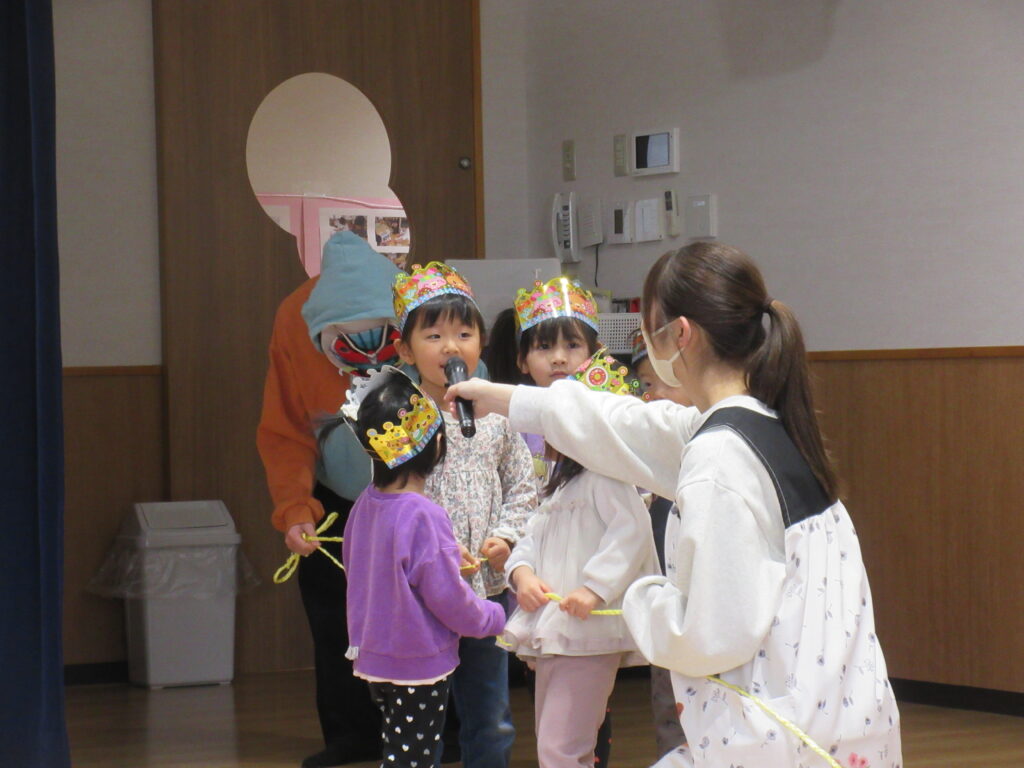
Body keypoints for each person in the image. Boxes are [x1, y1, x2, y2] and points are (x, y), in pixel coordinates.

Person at [445, 243, 903, 768]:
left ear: (679, 334)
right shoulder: (761, 425)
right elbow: (624, 425)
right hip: (845, 722)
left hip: (777, 738)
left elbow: (708, 636)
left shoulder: (717, 459)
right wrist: (504, 398)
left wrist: (641, 595)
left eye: (649, 329)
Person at [500, 276, 659, 768]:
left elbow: (633, 530)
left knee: (564, 746)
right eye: (545, 347)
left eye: (573, 345)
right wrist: (520, 574)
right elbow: (532, 530)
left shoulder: (605, 475)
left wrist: (594, 588)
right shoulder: (559, 482)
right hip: (554, 624)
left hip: (586, 627)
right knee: (559, 742)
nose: (559, 358)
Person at [257, 231, 401, 767]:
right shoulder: (294, 318)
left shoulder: (420, 303)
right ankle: (353, 732)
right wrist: (295, 508)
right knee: (334, 614)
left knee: (431, 606)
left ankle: (447, 726)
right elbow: (286, 430)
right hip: (335, 491)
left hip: (422, 488)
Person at [392, 262, 537, 768]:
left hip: (485, 590)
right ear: (406, 350)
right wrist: (435, 549)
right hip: (422, 593)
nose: (450, 347)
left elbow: (522, 487)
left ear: (481, 343)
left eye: (464, 334)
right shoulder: (400, 418)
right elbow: (391, 501)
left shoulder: (498, 415)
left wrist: (506, 537)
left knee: (490, 714)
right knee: (421, 717)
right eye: (433, 336)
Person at [332, 367, 507, 768]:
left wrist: (445, 551)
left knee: (400, 749)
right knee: (413, 757)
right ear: (437, 444)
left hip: (374, 656)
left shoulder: (365, 503)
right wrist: (494, 617)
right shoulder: (424, 514)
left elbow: (367, 566)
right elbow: (448, 599)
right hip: (417, 663)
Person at [630, 330, 688, 763]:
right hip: (667, 606)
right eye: (647, 384)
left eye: (667, 380)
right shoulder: (645, 445)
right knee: (669, 699)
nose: (655, 394)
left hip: (711, 612)